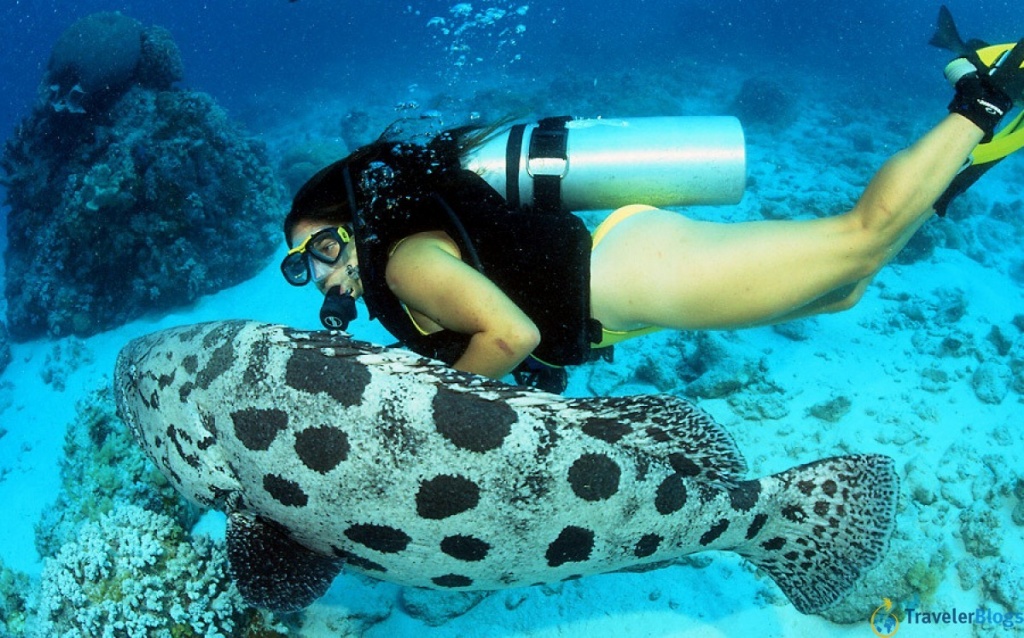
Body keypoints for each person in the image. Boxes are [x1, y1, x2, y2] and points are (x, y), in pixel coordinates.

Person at [281, 45, 1023, 393]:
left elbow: (511, 335)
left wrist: (427, 413)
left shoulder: (402, 262)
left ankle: (985, 96)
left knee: (860, 242)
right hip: (624, 291)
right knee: (843, 291)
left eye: (318, 248)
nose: (319, 273)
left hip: (633, 273)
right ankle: (950, 169)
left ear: (351, 222)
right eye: (299, 269)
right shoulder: (399, 264)